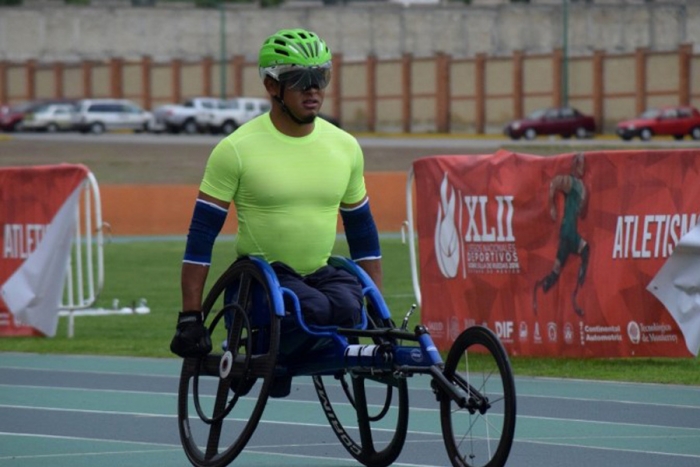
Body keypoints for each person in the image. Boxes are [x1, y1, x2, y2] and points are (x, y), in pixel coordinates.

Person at [169, 28, 383, 396]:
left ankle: (287, 359)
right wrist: (191, 315)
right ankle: (272, 358)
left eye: (321, 77)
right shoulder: (236, 149)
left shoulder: (345, 147)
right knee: (311, 307)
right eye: (301, 79)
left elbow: (363, 233)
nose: (313, 89)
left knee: (350, 306)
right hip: (263, 282)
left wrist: (378, 305)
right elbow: (201, 237)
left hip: (319, 274)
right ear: (272, 86)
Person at [533, 152, 590, 317]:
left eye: (583, 164)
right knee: (585, 250)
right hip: (568, 232)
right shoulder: (571, 182)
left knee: (555, 273)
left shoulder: (581, 186)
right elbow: (555, 182)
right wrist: (551, 206)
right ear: (574, 165)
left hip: (568, 232)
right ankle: (576, 294)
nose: (582, 167)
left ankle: (541, 289)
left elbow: (581, 211)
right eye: (579, 163)